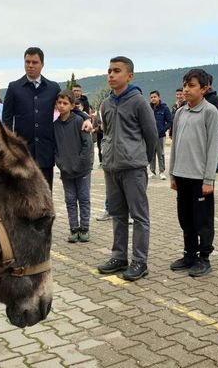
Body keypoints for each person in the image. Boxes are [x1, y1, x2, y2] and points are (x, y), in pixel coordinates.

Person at [96, 56, 157, 281]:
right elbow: (107, 133)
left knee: (139, 216)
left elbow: (151, 135)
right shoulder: (107, 103)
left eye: (117, 71)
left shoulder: (139, 102)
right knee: (118, 214)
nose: (111, 75)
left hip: (133, 168)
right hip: (111, 168)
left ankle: (140, 261)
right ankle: (118, 257)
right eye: (109, 70)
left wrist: (142, 160)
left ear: (129, 76)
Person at [2, 47, 91, 190]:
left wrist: (86, 118)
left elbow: (68, 106)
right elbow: (6, 119)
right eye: (27, 62)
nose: (30, 65)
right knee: (23, 193)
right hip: (23, 151)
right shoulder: (14, 88)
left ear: (42, 64)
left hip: (46, 150)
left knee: (45, 193)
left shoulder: (53, 87)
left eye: (34, 62)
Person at [168, 69, 218, 277]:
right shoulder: (180, 113)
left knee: (203, 220)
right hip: (181, 175)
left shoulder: (210, 112)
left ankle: (204, 257)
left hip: (200, 178)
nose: (186, 90)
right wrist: (172, 173)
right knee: (186, 218)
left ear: (204, 88)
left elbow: (212, 147)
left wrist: (209, 179)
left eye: (192, 86)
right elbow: (175, 145)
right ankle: (189, 254)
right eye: (185, 85)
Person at [54, 90, 94, 243]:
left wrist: (80, 162)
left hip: (82, 169)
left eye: (65, 103)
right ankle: (73, 228)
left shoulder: (79, 121)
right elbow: (55, 149)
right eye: (59, 103)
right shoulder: (55, 126)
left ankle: (84, 228)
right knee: (70, 200)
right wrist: (61, 163)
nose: (62, 106)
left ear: (72, 105)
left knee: (83, 198)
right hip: (66, 170)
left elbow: (87, 145)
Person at [148, 90, 173, 180]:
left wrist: (163, 129)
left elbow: (170, 121)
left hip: (160, 135)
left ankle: (162, 171)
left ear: (159, 97)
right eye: (151, 97)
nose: (153, 99)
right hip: (150, 136)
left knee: (160, 153)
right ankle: (152, 171)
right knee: (151, 153)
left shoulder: (164, 108)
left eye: (154, 97)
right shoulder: (148, 108)